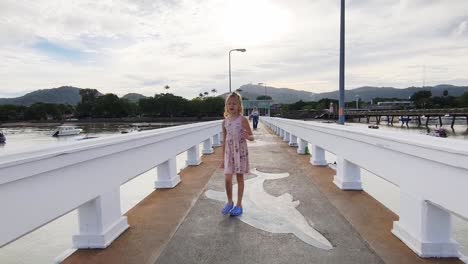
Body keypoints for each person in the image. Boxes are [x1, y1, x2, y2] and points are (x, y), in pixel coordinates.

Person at [221, 92, 254, 217]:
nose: (231, 105)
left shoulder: (243, 120)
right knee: (228, 178)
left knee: (240, 178)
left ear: (239, 105)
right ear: (226, 106)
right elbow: (224, 140)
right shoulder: (225, 122)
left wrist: (248, 136)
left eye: (234, 103)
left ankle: (239, 205)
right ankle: (230, 202)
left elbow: (252, 136)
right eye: (229, 103)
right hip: (229, 153)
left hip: (240, 152)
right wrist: (222, 158)